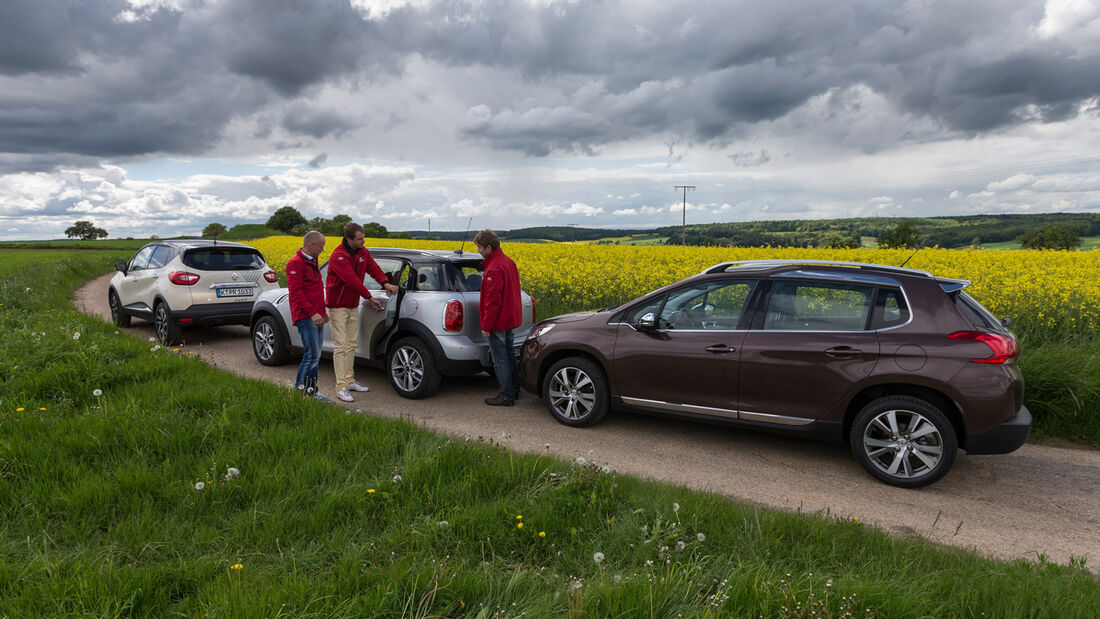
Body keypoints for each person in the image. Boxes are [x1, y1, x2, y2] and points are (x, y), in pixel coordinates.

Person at [325, 222, 399, 402]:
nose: (363, 241)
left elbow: (373, 268)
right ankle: (340, 386)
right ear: (349, 239)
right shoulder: (338, 256)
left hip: (352, 304)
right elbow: (351, 280)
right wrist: (368, 297)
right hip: (338, 306)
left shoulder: (362, 252)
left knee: (351, 343)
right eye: (360, 238)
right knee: (340, 345)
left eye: (363, 237)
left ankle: (349, 380)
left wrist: (385, 283)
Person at [475, 229, 522, 406]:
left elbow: (493, 302)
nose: (478, 251)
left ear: (488, 247)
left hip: (498, 322)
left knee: (500, 360)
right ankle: (514, 390)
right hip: (509, 319)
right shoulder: (508, 262)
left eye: (480, 247)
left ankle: (506, 396)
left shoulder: (493, 268)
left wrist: (486, 326)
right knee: (510, 356)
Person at [287, 230, 330, 401]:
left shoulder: (312, 261)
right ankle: (301, 392)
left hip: (316, 315)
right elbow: (296, 293)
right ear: (311, 245)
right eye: (321, 246)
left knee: (315, 355)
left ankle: (311, 391)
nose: (322, 250)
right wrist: (312, 313)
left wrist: (323, 312)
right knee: (311, 354)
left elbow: (315, 291)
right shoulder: (295, 263)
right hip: (306, 316)